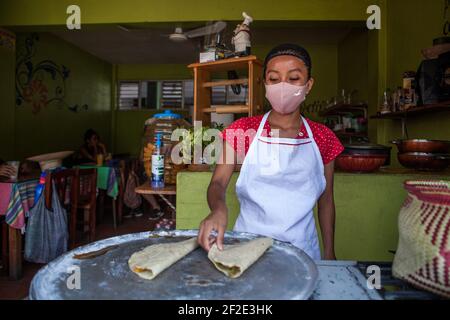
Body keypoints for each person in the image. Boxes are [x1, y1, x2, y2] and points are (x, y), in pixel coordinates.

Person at [197, 43, 344, 260]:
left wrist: (330, 251)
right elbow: (218, 183)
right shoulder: (243, 130)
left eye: (293, 78)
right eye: (274, 79)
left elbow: (326, 200)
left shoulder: (324, 137)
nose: (283, 86)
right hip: (247, 246)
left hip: (303, 250)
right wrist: (218, 209)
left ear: (309, 84)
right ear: (265, 83)